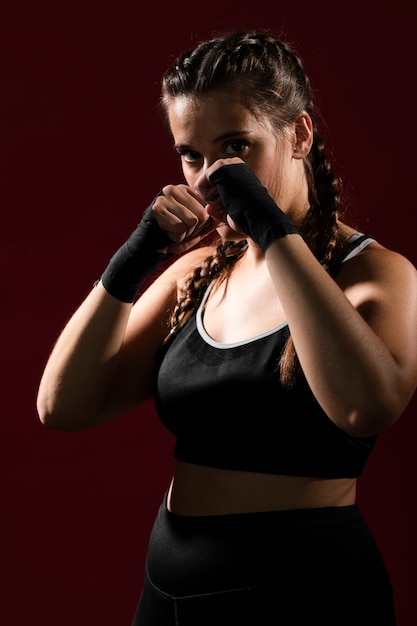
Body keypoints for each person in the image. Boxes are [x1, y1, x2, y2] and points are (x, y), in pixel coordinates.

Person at [36, 30, 417, 625]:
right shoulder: (200, 273)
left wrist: (270, 227)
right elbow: (63, 404)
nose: (212, 176)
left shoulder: (372, 273)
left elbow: (364, 406)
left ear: (300, 135)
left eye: (236, 145)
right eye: (192, 154)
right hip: (168, 590)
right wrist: (132, 259)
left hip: (301, 593)